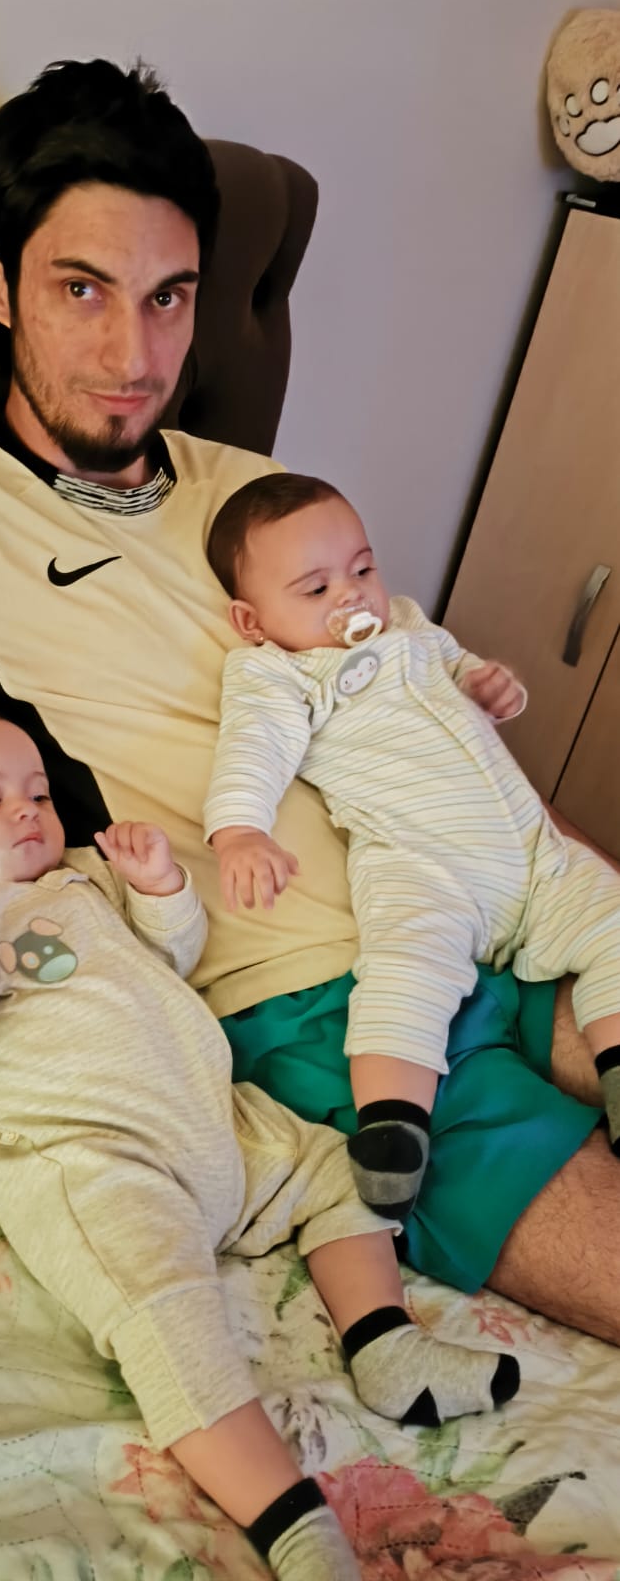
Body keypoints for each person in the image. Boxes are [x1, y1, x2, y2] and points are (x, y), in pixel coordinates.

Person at [0, 57, 615, 1338]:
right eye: (79, 289)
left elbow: (422, 700)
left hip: (484, 896)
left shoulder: (251, 489)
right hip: (314, 997)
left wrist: (564, 863)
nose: (132, 355)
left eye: (168, 297)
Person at [0, 707, 520, 1581]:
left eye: (37, 794)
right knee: (166, 1322)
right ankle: (295, 1529)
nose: (26, 811)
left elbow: (169, 961)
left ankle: (385, 1343)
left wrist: (158, 890)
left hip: (214, 1127)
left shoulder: (79, 879)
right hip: (100, 1163)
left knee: (336, 1171)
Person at [203, 472, 620, 1220]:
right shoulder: (277, 673)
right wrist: (239, 832)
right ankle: (393, 1126)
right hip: (422, 866)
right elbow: (251, 751)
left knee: (614, 919)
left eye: (362, 568)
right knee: (406, 970)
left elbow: (458, 668)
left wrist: (488, 686)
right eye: (316, 588)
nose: (351, 596)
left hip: (533, 852)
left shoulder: (406, 623)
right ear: (251, 619)